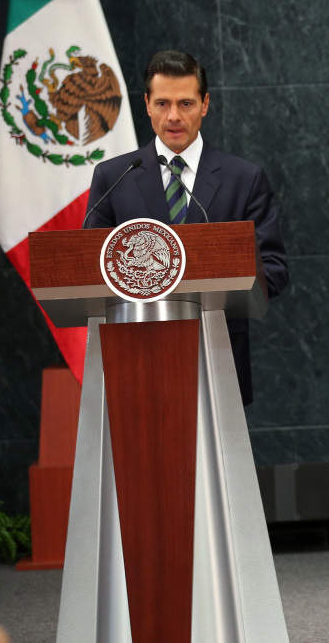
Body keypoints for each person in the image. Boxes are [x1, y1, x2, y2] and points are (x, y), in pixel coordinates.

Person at [84, 50, 289, 406]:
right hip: (131, 357)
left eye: (186, 103)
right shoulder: (114, 177)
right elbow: (89, 270)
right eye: (162, 103)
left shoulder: (244, 178)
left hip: (216, 355)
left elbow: (274, 269)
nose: (174, 116)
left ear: (205, 105)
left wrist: (224, 284)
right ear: (147, 104)